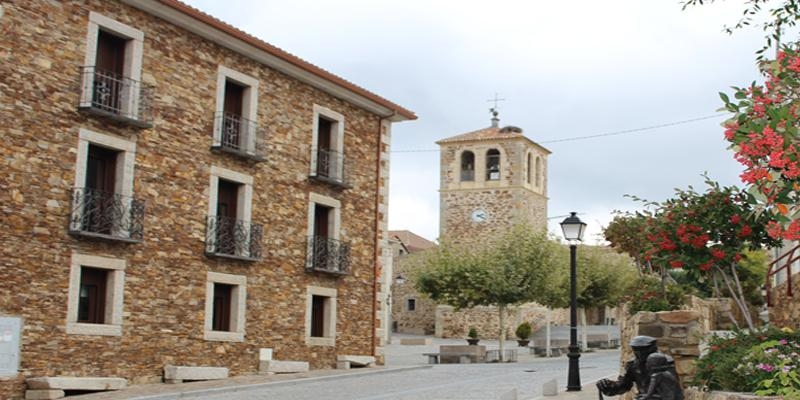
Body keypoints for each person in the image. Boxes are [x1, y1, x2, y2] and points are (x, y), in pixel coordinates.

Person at [596, 336, 682, 400]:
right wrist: (608, 386)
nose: (640, 355)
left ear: (653, 349)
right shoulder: (632, 365)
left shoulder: (664, 362)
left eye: (643, 351)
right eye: (636, 351)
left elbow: (672, 391)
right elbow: (623, 385)